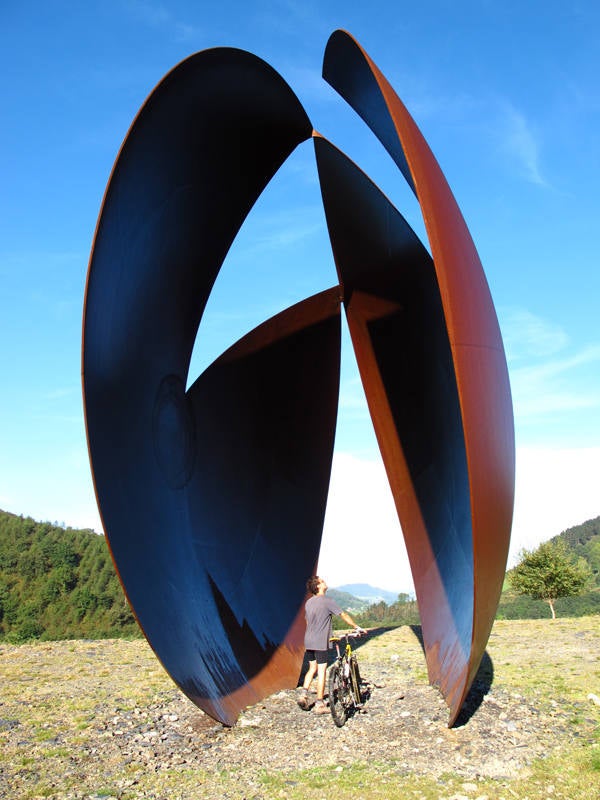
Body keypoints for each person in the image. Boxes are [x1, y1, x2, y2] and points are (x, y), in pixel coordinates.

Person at [297, 575, 364, 714]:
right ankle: (320, 704)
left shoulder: (309, 602)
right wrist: (356, 626)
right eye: (322, 581)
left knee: (312, 668)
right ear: (318, 586)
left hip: (308, 640)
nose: (325, 582)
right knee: (322, 671)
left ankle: (303, 695)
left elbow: (308, 621)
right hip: (320, 641)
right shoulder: (327, 601)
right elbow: (343, 615)